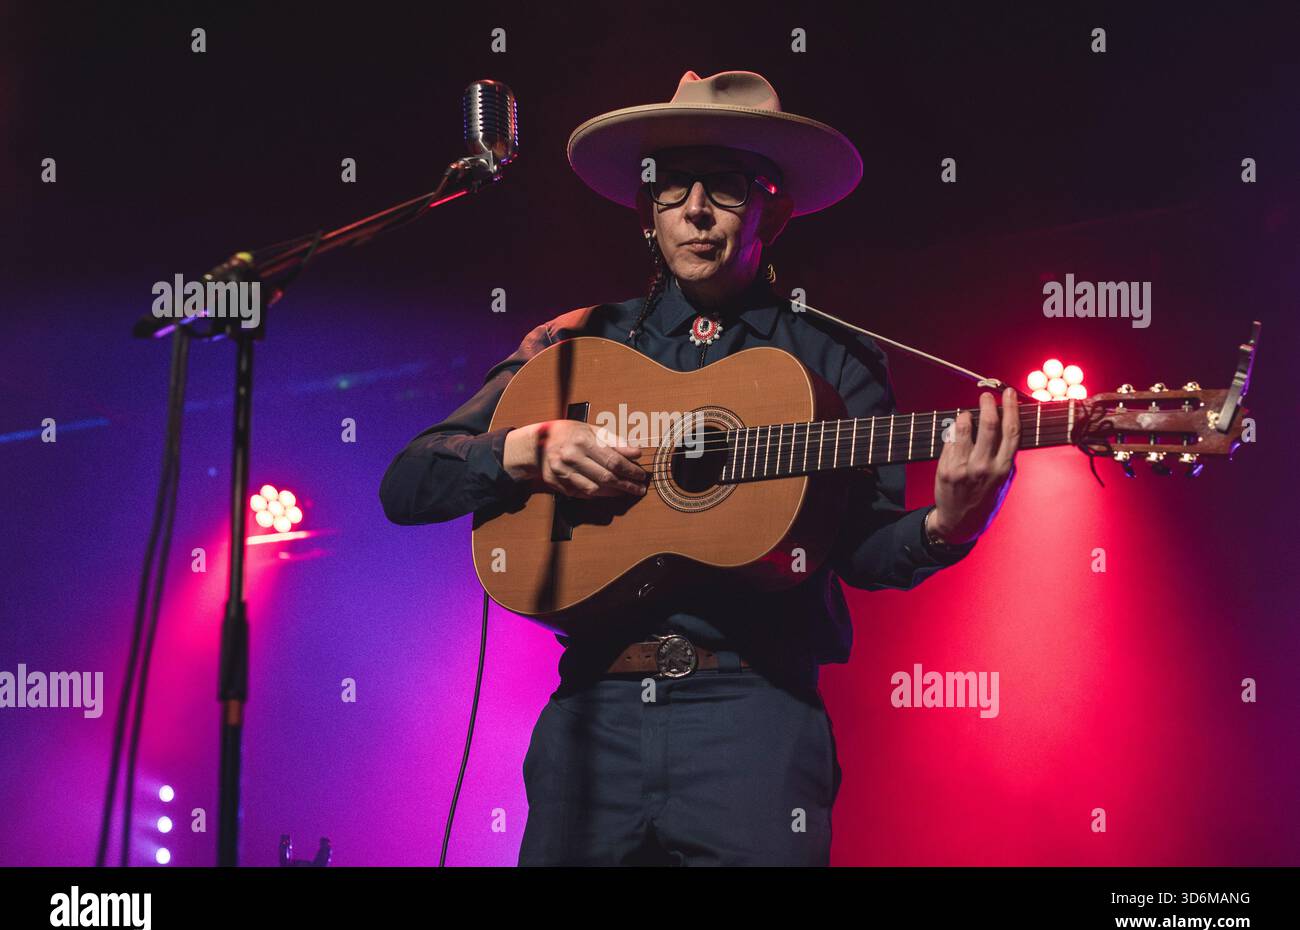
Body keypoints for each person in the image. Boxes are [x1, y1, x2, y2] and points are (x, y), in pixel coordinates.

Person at [379, 70, 1019, 865]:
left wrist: (947, 525)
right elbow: (407, 484)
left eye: (725, 187)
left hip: (756, 717)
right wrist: (518, 451)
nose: (695, 209)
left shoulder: (834, 359)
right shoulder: (575, 346)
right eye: (671, 188)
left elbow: (859, 551)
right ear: (646, 214)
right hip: (592, 714)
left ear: (773, 211)